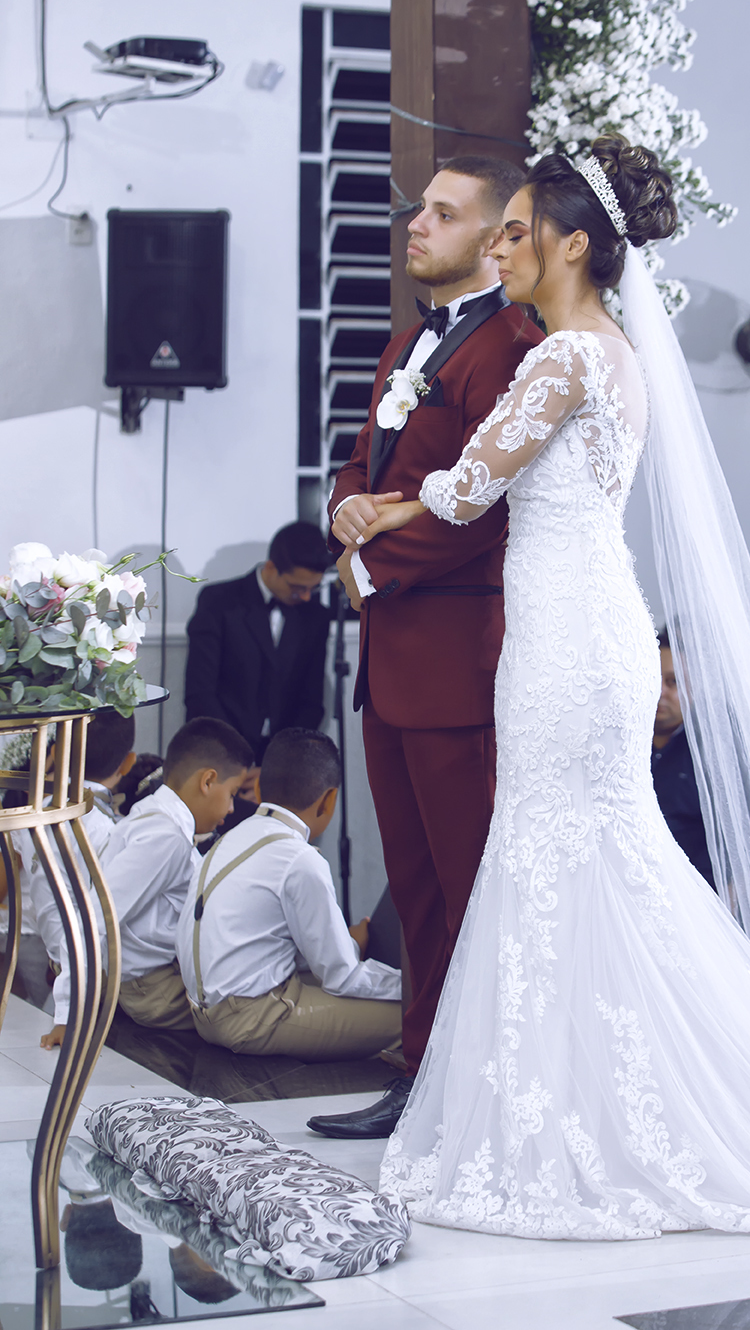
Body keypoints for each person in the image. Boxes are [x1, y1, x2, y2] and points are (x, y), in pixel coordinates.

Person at [332, 136, 750, 1237]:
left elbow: (466, 490)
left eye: (516, 232)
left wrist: (376, 515)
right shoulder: (614, 353)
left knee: (554, 855)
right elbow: (472, 488)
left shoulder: (564, 358)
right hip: (581, 624)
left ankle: (569, 1112)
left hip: (568, 639)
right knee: (582, 860)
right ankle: (581, 1100)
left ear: (571, 245)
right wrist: (388, 508)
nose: (503, 248)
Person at [306, 155, 543, 1140]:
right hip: (391, 662)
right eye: (419, 210)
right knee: (414, 887)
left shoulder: (514, 346)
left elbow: (486, 511)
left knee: (471, 886)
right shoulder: (407, 343)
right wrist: (343, 511)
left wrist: (369, 564)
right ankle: (424, 1078)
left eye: (443, 214)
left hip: (458, 663)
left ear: (493, 238)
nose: (417, 225)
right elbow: (362, 466)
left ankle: (486, 1089)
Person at [177, 727, 401, 1060]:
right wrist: (416, 987)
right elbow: (342, 978)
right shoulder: (300, 858)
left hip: (204, 1012)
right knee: (415, 1015)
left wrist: (349, 945)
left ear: (257, 787)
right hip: (251, 1018)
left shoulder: (228, 841)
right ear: (329, 800)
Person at [101, 717, 252, 1029]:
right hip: (151, 989)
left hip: (150, 979)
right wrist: (70, 1011)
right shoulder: (166, 835)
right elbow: (99, 915)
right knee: (253, 1012)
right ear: (207, 781)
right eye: (233, 793)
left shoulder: (160, 817)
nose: (231, 808)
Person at [11, 709, 137, 1049]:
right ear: (128, 763)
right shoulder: (108, 831)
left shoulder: (32, 815)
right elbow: (90, 926)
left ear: (57, 752)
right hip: (87, 973)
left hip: (50, 955)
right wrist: (68, 1014)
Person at [184, 522, 332, 763]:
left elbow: (312, 701)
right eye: (297, 588)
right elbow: (200, 694)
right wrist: (235, 761)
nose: (306, 597)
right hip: (218, 751)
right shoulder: (218, 602)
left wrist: (279, 763)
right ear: (271, 567)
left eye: (312, 589)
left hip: (283, 758)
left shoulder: (316, 617)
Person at [650, 629, 715, 890]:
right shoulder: (619, 743)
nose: (659, 691)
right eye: (652, 678)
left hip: (698, 891)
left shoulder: (709, 752)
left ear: (694, 687)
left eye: (673, 682)